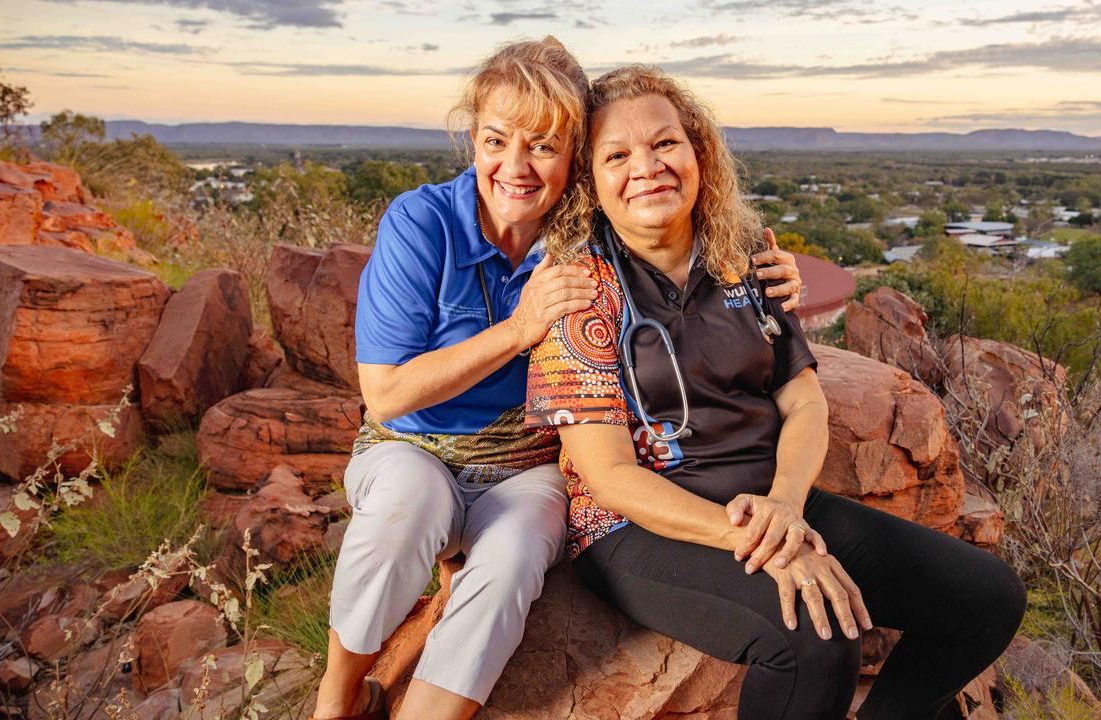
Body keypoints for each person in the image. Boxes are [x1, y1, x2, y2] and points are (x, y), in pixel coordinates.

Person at [313, 41, 806, 720]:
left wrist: (762, 271)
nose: (514, 168)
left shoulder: (587, 236)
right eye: (494, 140)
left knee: (514, 558)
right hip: (413, 446)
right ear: (473, 138)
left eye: (543, 146)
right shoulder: (422, 223)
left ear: (573, 156)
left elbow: (679, 237)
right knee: (408, 505)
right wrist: (517, 330)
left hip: (529, 466)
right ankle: (339, 698)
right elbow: (388, 395)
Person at [526, 65, 1027, 720]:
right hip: (639, 526)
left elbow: (803, 400)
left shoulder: (744, 257)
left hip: (774, 502)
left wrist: (786, 507)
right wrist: (757, 543)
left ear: (697, 150)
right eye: (616, 155)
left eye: (665, 143)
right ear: (591, 181)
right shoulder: (578, 291)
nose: (647, 166)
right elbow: (611, 476)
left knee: (986, 598)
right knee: (814, 640)